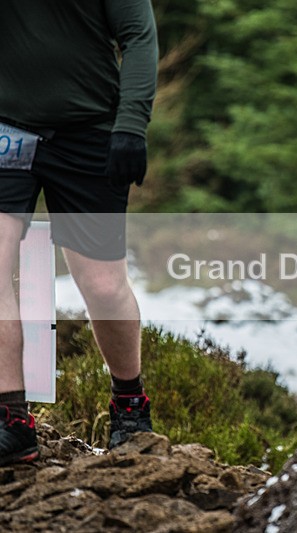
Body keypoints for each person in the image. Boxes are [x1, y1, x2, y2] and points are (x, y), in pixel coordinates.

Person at [0, 1, 159, 465]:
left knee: (103, 286)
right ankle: (12, 419)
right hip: (7, 128)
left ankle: (129, 404)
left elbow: (139, 37)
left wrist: (131, 124)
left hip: (91, 133)